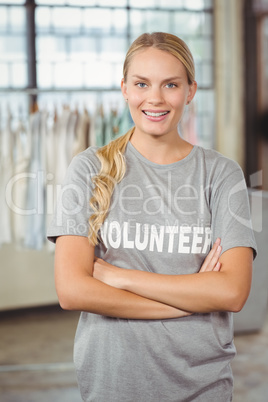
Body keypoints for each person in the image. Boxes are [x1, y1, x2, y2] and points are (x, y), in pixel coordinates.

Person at [47, 32, 257, 402]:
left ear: (190, 90)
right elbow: (72, 290)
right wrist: (190, 297)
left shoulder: (221, 174)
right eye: (142, 83)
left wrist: (118, 277)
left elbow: (232, 291)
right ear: (124, 88)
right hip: (113, 382)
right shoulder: (89, 170)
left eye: (171, 84)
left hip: (202, 384)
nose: (155, 98)